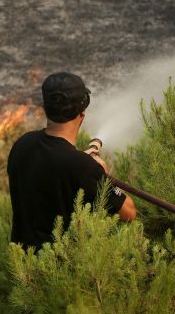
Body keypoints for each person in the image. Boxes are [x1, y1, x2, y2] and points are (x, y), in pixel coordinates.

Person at [7, 72, 137, 251]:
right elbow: (130, 213)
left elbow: (52, 169)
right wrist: (103, 176)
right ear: (82, 113)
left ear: (45, 108)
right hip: (61, 271)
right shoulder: (82, 167)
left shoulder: (22, 144)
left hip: (23, 263)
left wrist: (81, 163)